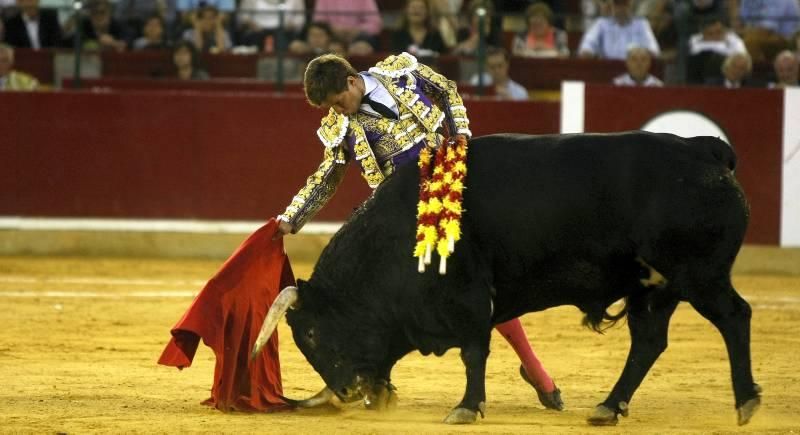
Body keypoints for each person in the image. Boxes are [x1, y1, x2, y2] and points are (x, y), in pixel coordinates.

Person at [274, 52, 563, 410]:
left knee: (484, 283)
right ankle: (378, 382)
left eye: (339, 102)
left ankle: (534, 368)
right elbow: (327, 177)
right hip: (404, 220)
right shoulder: (340, 127)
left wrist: (461, 142)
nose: (340, 111)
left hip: (454, 192)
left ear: (351, 81)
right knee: (397, 298)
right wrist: (291, 217)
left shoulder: (401, 71)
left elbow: (446, 89)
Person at [578, 0, 660, 60]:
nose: (621, 8)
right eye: (617, 4)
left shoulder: (641, 24)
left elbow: (654, 52)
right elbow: (585, 48)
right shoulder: (602, 24)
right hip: (608, 71)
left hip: (634, 74)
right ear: (612, 6)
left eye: (624, 4)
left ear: (630, 5)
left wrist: (639, 55)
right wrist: (588, 52)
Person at [312, 0, 382, 56]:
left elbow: (375, 23)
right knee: (322, 41)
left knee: (362, 47)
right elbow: (318, 22)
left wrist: (356, 30)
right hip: (331, 36)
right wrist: (332, 29)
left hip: (358, 37)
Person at [236, 0, 305, 50]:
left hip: (285, 31)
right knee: (255, 39)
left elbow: (300, 19)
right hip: (257, 31)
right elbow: (243, 16)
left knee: (283, 40)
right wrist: (252, 25)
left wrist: (292, 25)